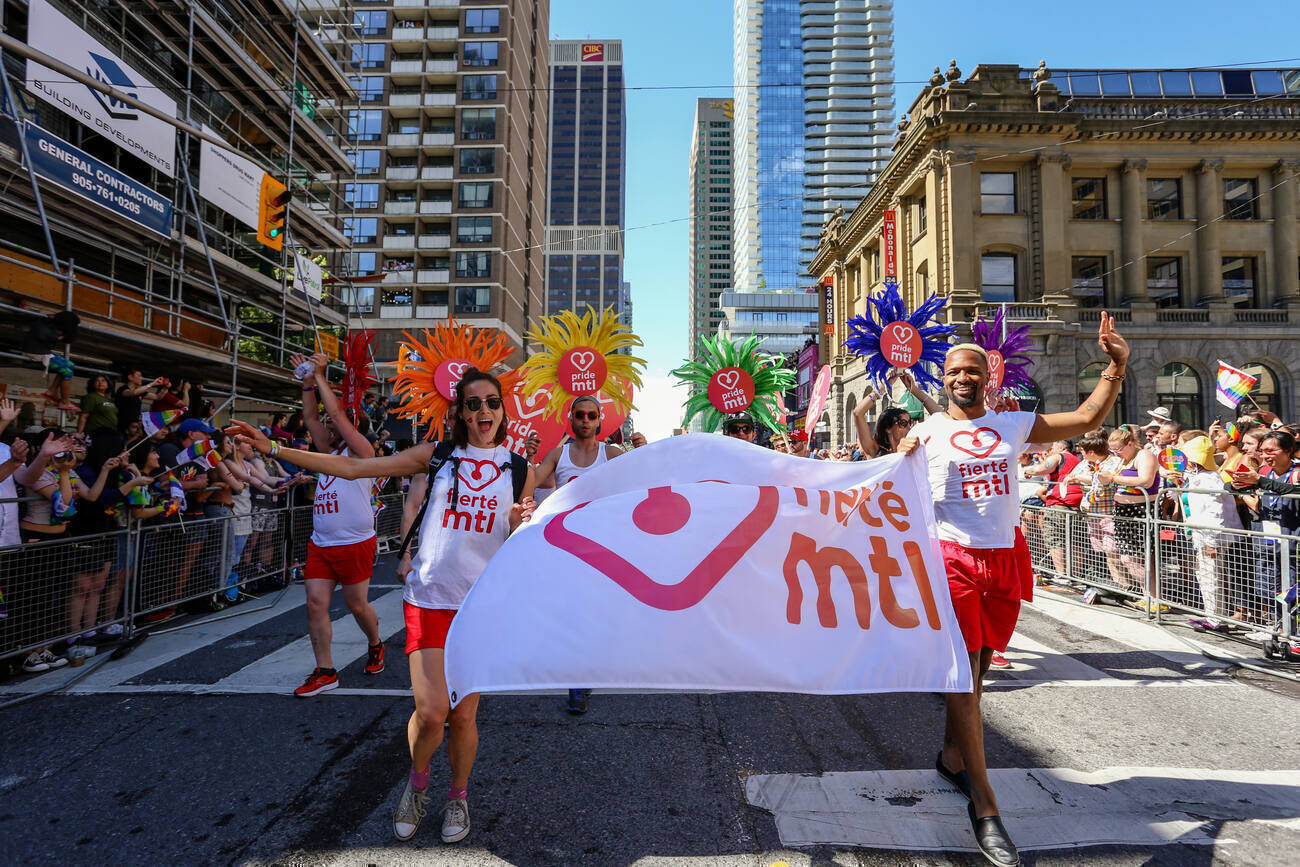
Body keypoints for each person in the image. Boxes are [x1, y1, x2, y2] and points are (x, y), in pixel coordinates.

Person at [227, 366, 536, 846]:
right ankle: (417, 784)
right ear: (459, 411)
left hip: (480, 608)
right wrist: (273, 449)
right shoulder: (436, 457)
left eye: (492, 402)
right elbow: (353, 468)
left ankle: (458, 794)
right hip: (430, 599)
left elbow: (518, 542)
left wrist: (520, 520)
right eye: (473, 403)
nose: (484, 412)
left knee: (464, 717)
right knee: (432, 713)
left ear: (503, 408)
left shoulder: (520, 468)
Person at [897, 313, 1129, 867]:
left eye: (972, 371)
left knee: (975, 676)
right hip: (949, 559)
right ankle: (985, 803)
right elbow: (884, 481)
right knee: (963, 678)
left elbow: (1087, 416)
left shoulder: (1014, 426)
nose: (963, 378)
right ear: (943, 378)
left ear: (987, 378)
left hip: (1004, 558)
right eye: (954, 371)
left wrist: (1116, 365)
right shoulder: (926, 432)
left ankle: (953, 757)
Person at [286, 352, 385, 696]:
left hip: (356, 542)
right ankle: (325, 670)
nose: (328, 428)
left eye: (336, 425)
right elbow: (312, 417)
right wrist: (307, 383)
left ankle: (375, 642)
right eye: (327, 428)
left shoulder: (362, 452)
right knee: (315, 603)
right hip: (322, 542)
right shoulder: (326, 452)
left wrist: (322, 374)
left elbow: (337, 415)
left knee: (357, 605)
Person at [532, 395, 628, 714]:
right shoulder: (558, 455)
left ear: (600, 419)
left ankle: (584, 670)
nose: (585, 420)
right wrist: (527, 462)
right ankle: (577, 681)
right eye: (580, 414)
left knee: (592, 614)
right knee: (573, 614)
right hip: (566, 548)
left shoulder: (613, 453)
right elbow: (530, 483)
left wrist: (642, 453)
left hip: (602, 548)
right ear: (570, 418)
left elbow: (640, 484)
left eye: (591, 415)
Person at [1228, 431, 1300, 625]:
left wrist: (1259, 481)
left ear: (1288, 451)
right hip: (1267, 541)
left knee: (1291, 588)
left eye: (1271, 450)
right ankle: (1277, 626)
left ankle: (1290, 631)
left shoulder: (1297, 473)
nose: (1266, 455)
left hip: (1293, 544)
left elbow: (1293, 491)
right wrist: (1237, 485)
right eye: (1263, 451)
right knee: (1268, 586)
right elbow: (1233, 489)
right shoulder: (1263, 471)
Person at [1179, 436, 1241, 631]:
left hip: (1211, 537)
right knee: (1206, 574)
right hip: (1201, 534)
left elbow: (1215, 512)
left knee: (1212, 576)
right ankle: (1213, 615)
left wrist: (1212, 541)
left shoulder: (1209, 479)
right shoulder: (1198, 477)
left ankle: (1215, 618)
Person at [852, 370, 941, 459]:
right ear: (888, 428)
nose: (909, 427)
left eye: (910, 422)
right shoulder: (874, 451)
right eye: (903, 423)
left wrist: (913, 389)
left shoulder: (915, 447)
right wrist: (882, 388)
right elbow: (858, 413)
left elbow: (940, 416)